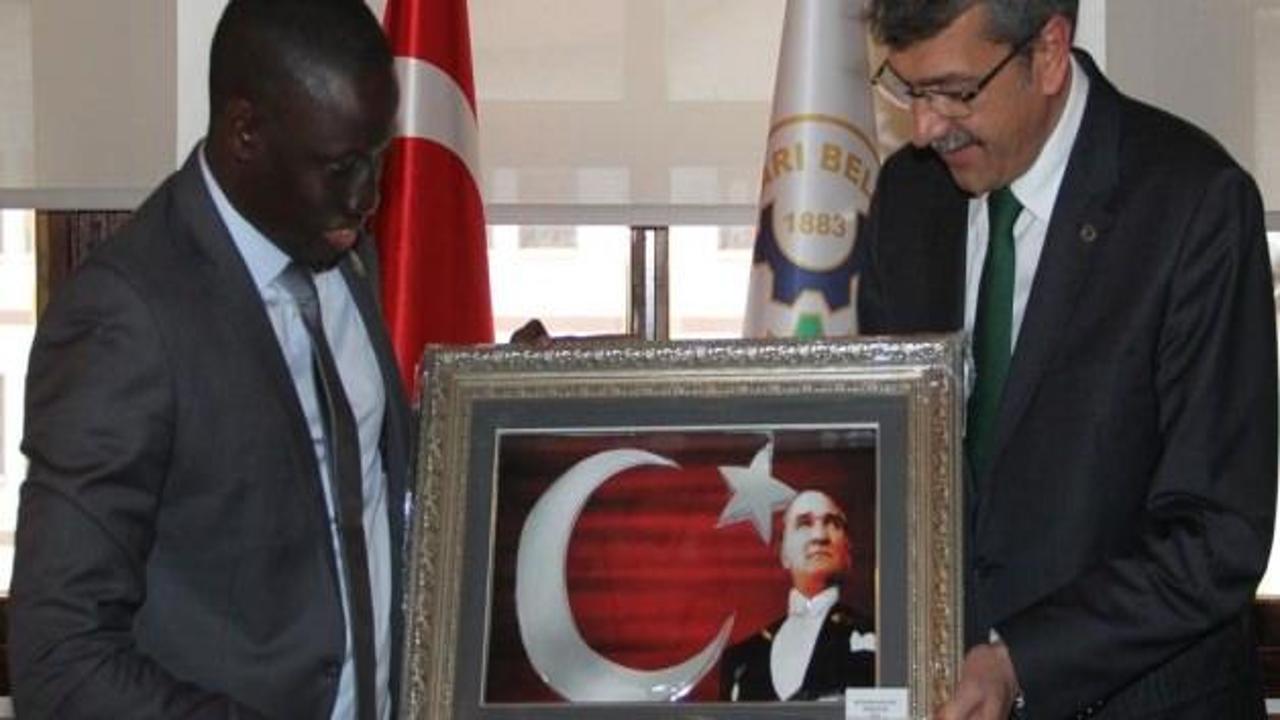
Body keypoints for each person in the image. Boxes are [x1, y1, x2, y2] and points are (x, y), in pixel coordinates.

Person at [857, 1, 1277, 718]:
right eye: (908, 89)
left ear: (1048, 52)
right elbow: (892, 472)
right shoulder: (908, 196)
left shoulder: (1192, 205)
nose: (925, 128)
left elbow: (1217, 535)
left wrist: (1021, 662)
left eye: (954, 92)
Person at [7, 1, 412, 718]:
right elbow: (59, 660)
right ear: (246, 132)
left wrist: (504, 404)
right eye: (342, 167)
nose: (368, 195)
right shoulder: (124, 316)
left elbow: (351, 478)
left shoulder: (341, 248)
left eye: (378, 158)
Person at [720, 490, 876, 701]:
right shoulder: (741, 660)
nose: (819, 536)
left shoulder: (877, 637)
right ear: (783, 552)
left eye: (832, 523)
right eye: (804, 524)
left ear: (847, 550)